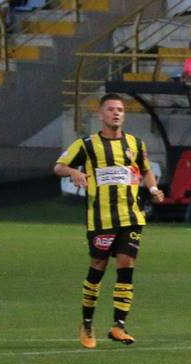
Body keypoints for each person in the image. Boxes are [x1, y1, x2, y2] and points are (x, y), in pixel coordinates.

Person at [53, 95, 165, 348]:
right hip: (101, 218)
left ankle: (119, 326)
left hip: (130, 215)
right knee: (98, 266)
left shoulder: (135, 144)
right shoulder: (87, 144)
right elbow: (58, 166)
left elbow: (145, 169)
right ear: (101, 114)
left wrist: (154, 189)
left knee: (127, 263)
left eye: (121, 110)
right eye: (111, 109)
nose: (116, 113)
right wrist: (73, 171)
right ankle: (87, 323)